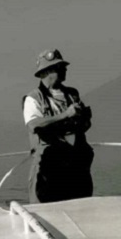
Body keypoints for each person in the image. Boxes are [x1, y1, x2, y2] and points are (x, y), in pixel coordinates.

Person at [22, 49, 94, 203]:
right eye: (60, 67)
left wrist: (83, 119)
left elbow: (85, 125)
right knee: (44, 208)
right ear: (47, 72)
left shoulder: (72, 94)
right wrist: (65, 115)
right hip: (48, 167)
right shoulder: (33, 98)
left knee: (80, 208)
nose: (65, 69)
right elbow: (33, 125)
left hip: (75, 166)